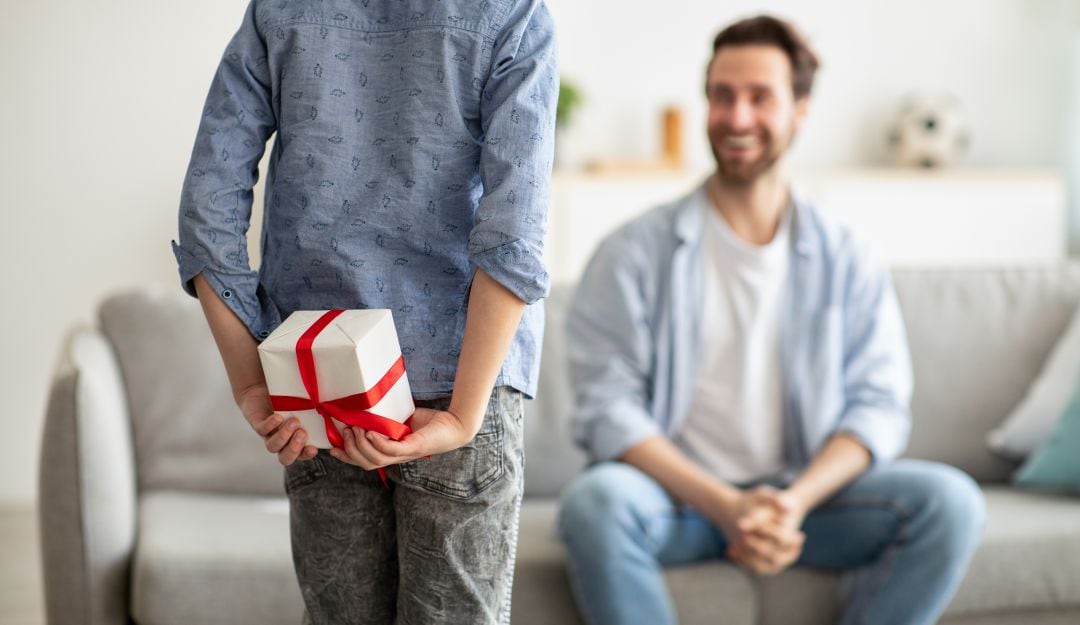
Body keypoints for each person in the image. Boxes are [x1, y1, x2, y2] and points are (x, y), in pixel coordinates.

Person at [557, 15, 984, 625]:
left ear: (801, 109)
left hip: (806, 504)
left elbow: (879, 404)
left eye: (761, 97)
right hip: (676, 504)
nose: (737, 118)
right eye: (722, 95)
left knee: (952, 503)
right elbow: (608, 408)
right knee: (594, 503)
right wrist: (726, 505)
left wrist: (790, 504)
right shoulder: (631, 252)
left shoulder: (847, 255)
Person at [172, 1, 557, 623]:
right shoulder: (510, 12)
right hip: (458, 384)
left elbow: (206, 213)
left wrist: (252, 381)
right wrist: (461, 416)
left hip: (317, 383)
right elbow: (516, 236)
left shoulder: (280, 9)